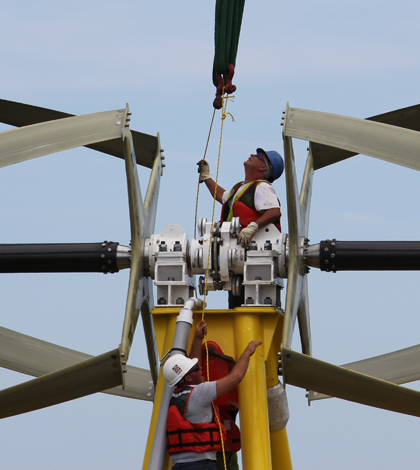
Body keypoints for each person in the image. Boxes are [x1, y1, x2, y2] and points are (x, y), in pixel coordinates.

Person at [163, 321, 262, 470]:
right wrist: (247, 352)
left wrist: (197, 338)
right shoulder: (199, 393)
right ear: (188, 378)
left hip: (180, 466)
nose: (200, 368)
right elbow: (236, 377)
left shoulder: (177, 396)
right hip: (201, 465)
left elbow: (192, 369)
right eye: (196, 368)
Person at [197, 148, 284, 249]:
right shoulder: (240, 187)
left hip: (252, 248)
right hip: (235, 247)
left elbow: (274, 211)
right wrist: (206, 177)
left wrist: (253, 227)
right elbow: (221, 196)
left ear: (264, 167)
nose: (252, 155)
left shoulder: (262, 187)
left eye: (258, 157)